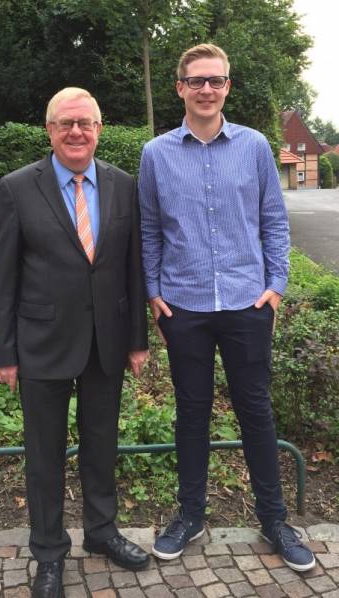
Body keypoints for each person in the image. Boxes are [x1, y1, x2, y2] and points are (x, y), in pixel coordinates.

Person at [138, 44, 315, 572]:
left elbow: (274, 222)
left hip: (245, 302)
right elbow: (149, 229)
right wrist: (153, 291)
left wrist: (276, 287)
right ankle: (190, 514)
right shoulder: (157, 154)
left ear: (227, 87)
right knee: (191, 414)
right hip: (184, 305)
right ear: (180, 88)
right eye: (196, 81)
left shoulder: (257, 146)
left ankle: (275, 519)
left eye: (216, 80)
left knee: (255, 412)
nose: (207, 89)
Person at [0, 87, 150, 598]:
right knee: (45, 455)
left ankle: (101, 533)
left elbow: (132, 269)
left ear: (100, 129)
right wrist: (4, 351)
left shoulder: (124, 186)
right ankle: (49, 553)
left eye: (85, 122)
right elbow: (2, 276)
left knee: (102, 446)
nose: (76, 131)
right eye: (65, 123)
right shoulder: (17, 188)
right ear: (49, 131)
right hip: (42, 344)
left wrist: (138, 340)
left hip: (107, 342)